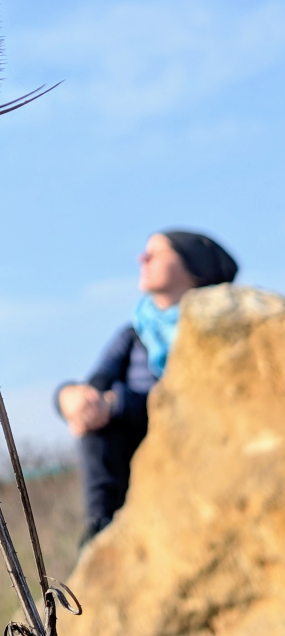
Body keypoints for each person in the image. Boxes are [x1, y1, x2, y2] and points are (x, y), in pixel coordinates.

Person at [56, 229, 238, 546]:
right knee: (94, 422)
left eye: (157, 253)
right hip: (134, 459)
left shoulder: (219, 332)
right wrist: (70, 398)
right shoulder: (136, 333)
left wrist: (117, 404)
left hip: (194, 452)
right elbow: (96, 383)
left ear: (193, 267)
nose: (143, 258)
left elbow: (200, 402)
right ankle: (100, 532)